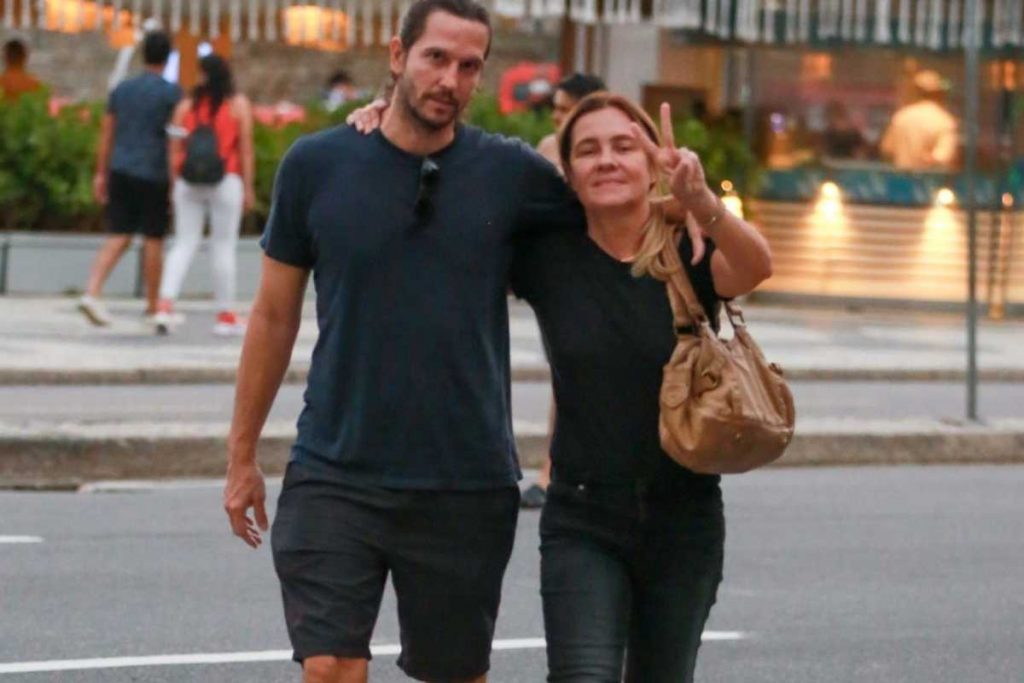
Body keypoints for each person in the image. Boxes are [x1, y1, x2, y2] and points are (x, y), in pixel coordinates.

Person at [223, 1, 589, 681]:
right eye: (435, 58)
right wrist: (241, 453)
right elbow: (274, 316)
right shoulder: (317, 165)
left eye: (469, 65)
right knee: (330, 665)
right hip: (336, 468)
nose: (450, 78)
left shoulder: (509, 175)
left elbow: (599, 199)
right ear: (398, 56)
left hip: (465, 481)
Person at [511, 94, 772, 682]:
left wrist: (701, 203)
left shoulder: (689, 248)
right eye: (588, 150)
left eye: (624, 146)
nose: (606, 160)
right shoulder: (548, 254)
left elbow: (756, 267)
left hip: (685, 518)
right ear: (570, 172)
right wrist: (383, 112)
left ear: (652, 162)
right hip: (582, 517)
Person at [519, 71, 606, 510]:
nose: (557, 119)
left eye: (565, 110)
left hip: (609, 271)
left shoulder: (614, 150)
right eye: (554, 111)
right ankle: (552, 470)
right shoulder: (550, 151)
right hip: (566, 277)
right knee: (565, 374)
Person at [78, 31, 180, 327]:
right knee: (153, 238)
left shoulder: (122, 90)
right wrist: (174, 183)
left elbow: (107, 134)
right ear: (167, 57)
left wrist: (101, 173)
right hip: (154, 171)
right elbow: (174, 140)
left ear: (143, 54)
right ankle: (152, 306)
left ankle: (92, 290)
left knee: (119, 233)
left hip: (121, 168)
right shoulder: (171, 93)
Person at [153, 54, 254, 336]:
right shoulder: (237, 106)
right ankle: (225, 314)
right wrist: (248, 187)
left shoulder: (186, 106)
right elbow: (244, 149)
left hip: (188, 181)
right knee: (223, 246)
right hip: (227, 179)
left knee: (184, 242)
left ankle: (164, 305)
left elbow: (173, 148)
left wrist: (174, 183)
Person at [880, 70, 958, 171]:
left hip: (899, 181)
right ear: (939, 94)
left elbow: (887, 149)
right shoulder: (944, 120)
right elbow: (943, 157)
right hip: (929, 183)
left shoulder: (901, 116)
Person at [535, 72, 606, 171]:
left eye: (564, 110)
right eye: (554, 108)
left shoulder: (606, 152)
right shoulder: (548, 147)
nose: (555, 117)